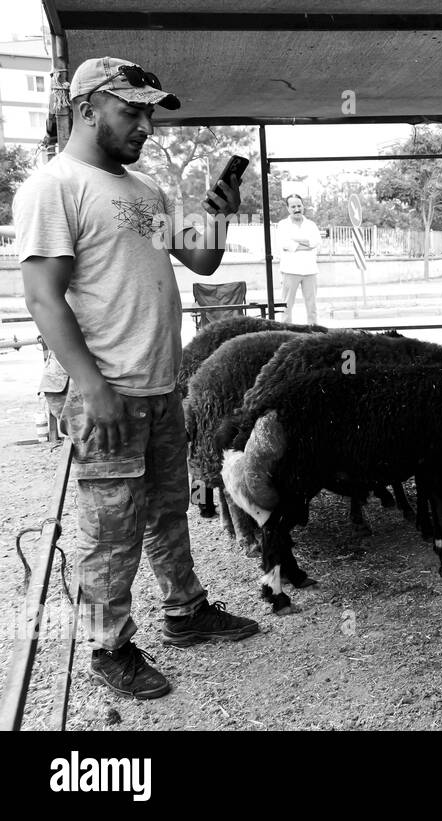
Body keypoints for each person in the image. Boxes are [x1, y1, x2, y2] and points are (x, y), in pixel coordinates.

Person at [15, 56, 260, 700]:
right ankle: (108, 647)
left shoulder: (144, 190)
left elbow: (200, 258)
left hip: (158, 384)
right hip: (107, 390)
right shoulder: (56, 186)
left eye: (151, 111)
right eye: (132, 110)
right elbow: (44, 298)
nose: (146, 124)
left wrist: (221, 211)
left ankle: (185, 612)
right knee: (108, 529)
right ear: (88, 107)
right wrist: (91, 387)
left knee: (166, 509)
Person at [276, 194, 321, 324]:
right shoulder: (283, 225)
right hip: (290, 271)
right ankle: (286, 331)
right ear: (288, 208)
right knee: (286, 306)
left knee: (312, 306)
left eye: (299, 205)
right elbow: (284, 244)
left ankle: (314, 331)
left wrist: (295, 241)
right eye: (293, 206)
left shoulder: (311, 225)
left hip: (310, 270)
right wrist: (307, 244)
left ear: (303, 206)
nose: (297, 209)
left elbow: (316, 243)